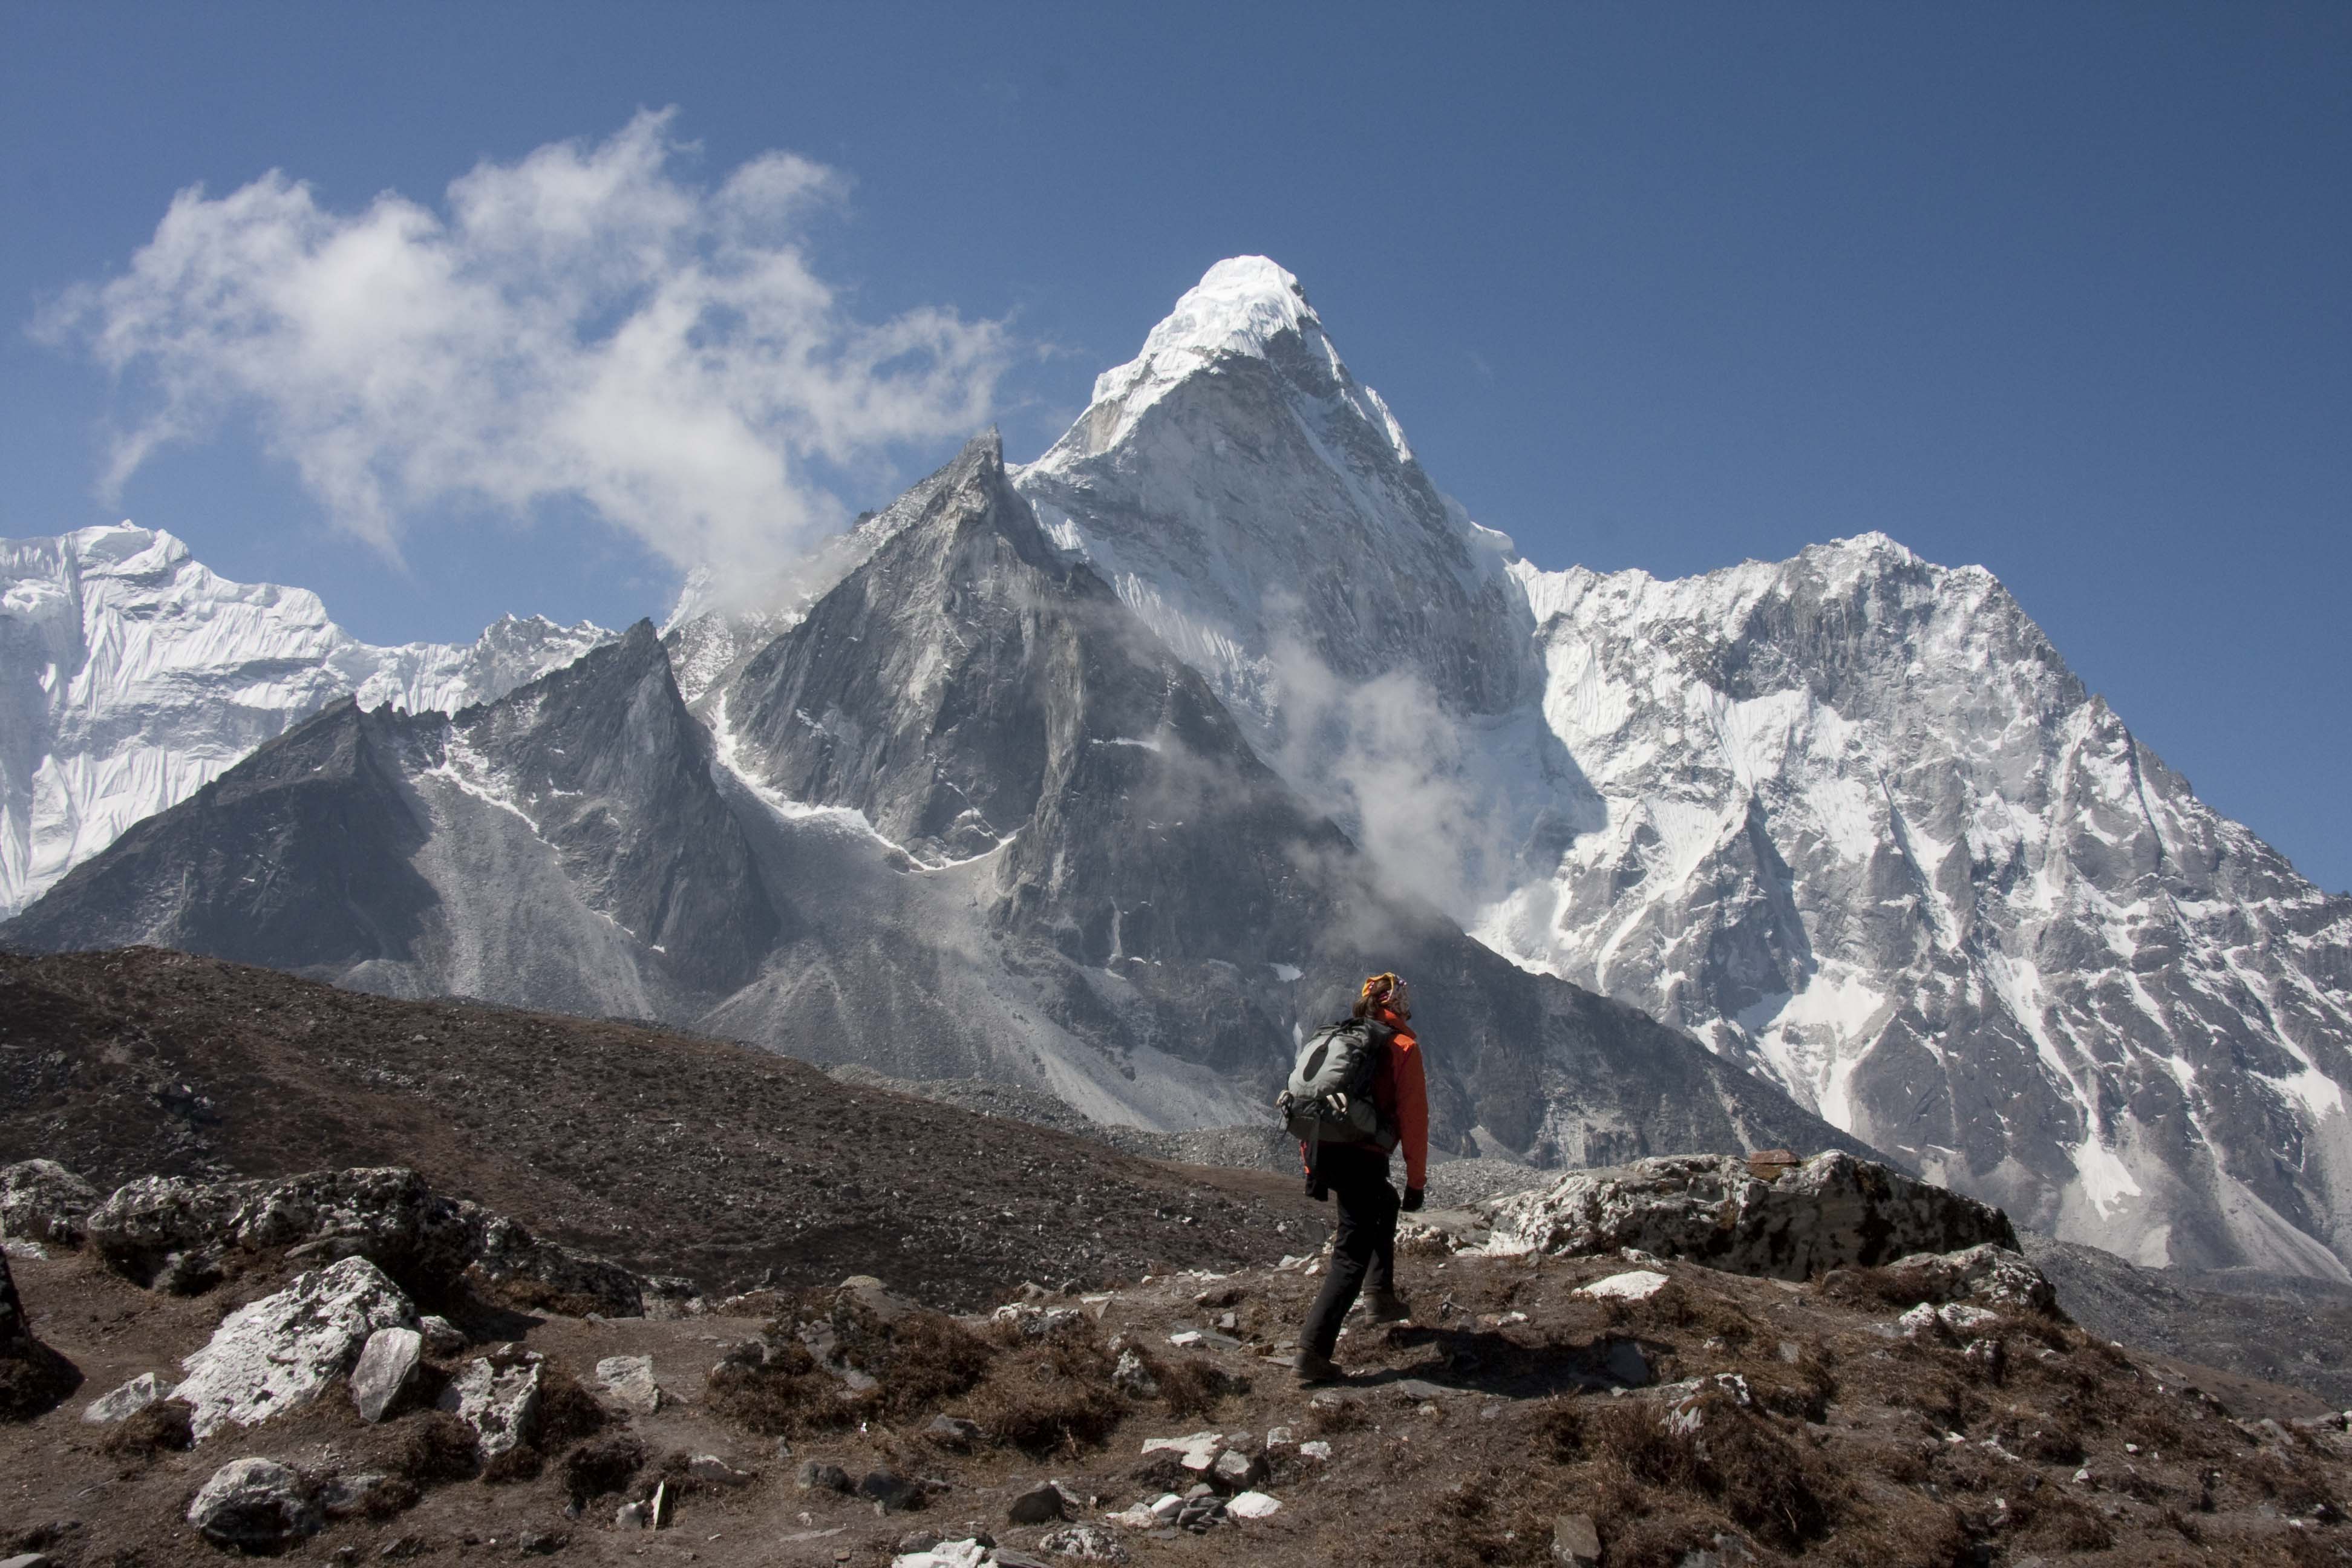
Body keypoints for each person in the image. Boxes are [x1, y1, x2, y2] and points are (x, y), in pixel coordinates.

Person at [1295, 970, 1429, 1383]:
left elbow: (1312, 1100)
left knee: (1382, 1202)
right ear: (1398, 1006)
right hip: (1362, 1154)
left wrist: (1311, 1168)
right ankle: (1312, 1353)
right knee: (1350, 1253)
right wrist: (1417, 1183)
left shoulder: (1339, 1038)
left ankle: (1380, 1297)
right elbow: (1415, 1120)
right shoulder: (1403, 1047)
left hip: (1326, 1150)